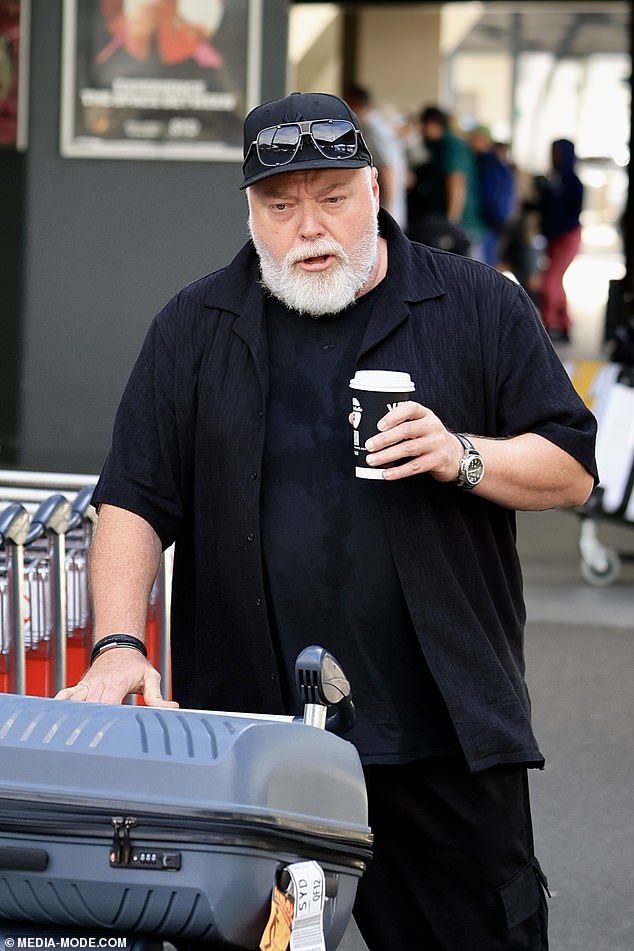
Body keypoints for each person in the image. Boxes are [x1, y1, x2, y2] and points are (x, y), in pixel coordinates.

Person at [57, 91, 597, 951]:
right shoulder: (194, 327)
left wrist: (462, 454)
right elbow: (132, 497)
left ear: (375, 189)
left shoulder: (476, 307)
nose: (309, 227)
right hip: (247, 750)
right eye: (281, 204)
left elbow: (571, 468)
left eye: (332, 197)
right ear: (249, 210)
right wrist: (119, 645)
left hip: (439, 740)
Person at [407, 105, 485, 259]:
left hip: (461, 228)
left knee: (467, 276)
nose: (422, 131)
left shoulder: (449, 145)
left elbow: (456, 182)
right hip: (456, 225)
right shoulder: (441, 146)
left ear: (433, 124)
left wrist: (451, 223)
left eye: (423, 126)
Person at [531, 139, 585, 342]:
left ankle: (548, 324)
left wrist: (553, 196)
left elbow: (571, 213)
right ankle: (564, 325)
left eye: (557, 152)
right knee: (556, 281)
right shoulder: (552, 178)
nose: (554, 157)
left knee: (549, 282)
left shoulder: (572, 181)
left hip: (567, 237)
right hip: (553, 238)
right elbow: (543, 208)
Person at [344, 83, 408, 229]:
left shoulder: (374, 129)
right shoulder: (378, 125)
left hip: (386, 211)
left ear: (352, 103)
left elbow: (387, 168)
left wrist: (387, 210)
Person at [469, 124, 516, 267]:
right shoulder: (501, 165)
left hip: (488, 221)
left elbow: (487, 193)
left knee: (483, 266)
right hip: (499, 221)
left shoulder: (486, 162)